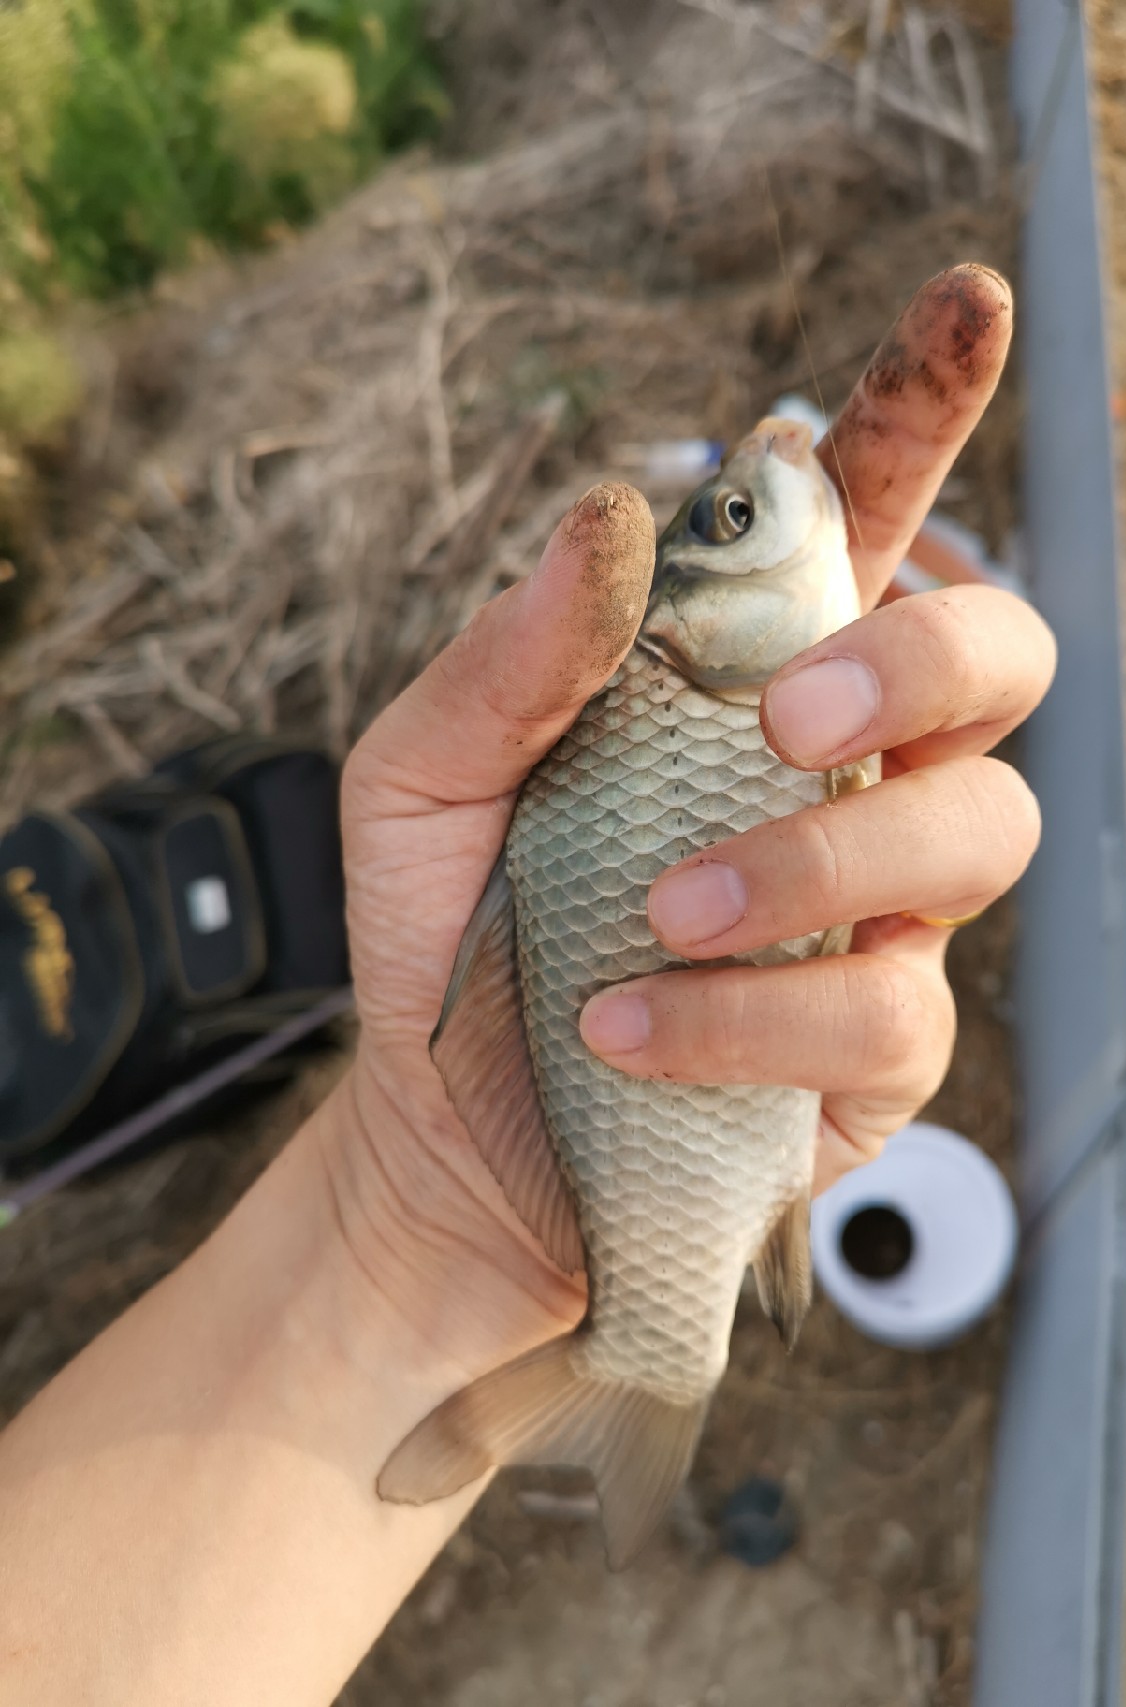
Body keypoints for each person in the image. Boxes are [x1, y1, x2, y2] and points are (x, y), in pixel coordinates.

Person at [0, 265, 1054, 1704]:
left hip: (590, 1159)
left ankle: (643, 1334)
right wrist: (416, 1220)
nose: (764, 481)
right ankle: (640, 1350)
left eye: (723, 520)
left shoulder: (728, 675)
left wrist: (411, 1236)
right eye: (733, 521)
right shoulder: (712, 674)